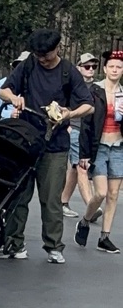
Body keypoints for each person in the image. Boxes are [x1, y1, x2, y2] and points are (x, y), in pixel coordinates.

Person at [0, 28, 94, 263]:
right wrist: (13, 97)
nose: (43, 59)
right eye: (39, 55)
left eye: (47, 55)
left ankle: (54, 246)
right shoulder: (29, 65)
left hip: (55, 144)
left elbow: (88, 105)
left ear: (57, 49)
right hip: (26, 142)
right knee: (18, 195)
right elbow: (3, 90)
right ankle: (13, 244)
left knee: (51, 199)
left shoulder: (68, 71)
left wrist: (68, 113)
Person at [74, 50, 123, 256]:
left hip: (118, 146)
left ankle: (104, 236)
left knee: (113, 195)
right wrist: (84, 154)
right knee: (101, 192)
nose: (115, 70)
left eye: (119, 67)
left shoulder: (122, 93)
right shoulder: (95, 91)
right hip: (99, 147)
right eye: (111, 66)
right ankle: (85, 221)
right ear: (105, 69)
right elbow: (86, 123)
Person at [61, 53, 97, 216]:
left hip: (89, 133)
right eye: (87, 66)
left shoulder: (97, 88)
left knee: (75, 170)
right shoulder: (73, 87)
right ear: (78, 68)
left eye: (94, 67)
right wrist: (67, 125)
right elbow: (62, 106)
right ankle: (92, 207)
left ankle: (63, 201)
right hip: (75, 130)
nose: (90, 70)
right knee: (81, 167)